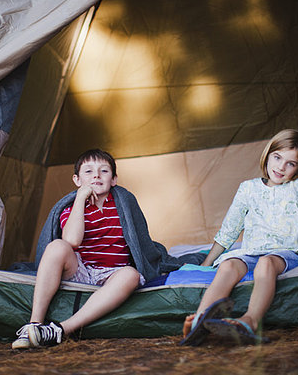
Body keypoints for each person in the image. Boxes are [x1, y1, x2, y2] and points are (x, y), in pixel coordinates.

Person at [13, 149, 205, 349]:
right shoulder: (72, 208)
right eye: (88, 171)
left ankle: (59, 329)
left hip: (113, 273)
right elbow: (72, 240)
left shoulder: (124, 205)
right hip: (81, 269)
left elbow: (140, 241)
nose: (96, 175)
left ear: (114, 179)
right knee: (57, 246)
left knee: (131, 275)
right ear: (77, 180)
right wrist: (80, 199)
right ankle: (33, 325)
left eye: (103, 171)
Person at [180, 129, 298, 346]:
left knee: (265, 265)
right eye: (277, 157)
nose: (280, 167)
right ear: (268, 155)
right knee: (229, 266)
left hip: (285, 252)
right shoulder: (248, 189)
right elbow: (230, 229)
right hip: (250, 252)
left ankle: (249, 321)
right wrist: (207, 262)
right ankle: (199, 321)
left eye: (291, 163)